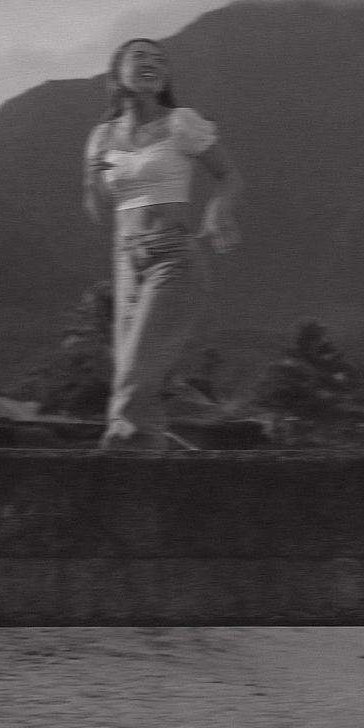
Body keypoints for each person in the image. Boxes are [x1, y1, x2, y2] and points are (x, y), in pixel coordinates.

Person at [83, 38, 242, 450]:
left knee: (132, 382)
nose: (152, 63)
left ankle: (109, 463)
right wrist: (91, 179)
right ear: (116, 73)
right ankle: (151, 487)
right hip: (125, 261)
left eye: (160, 60)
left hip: (172, 257)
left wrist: (218, 209)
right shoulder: (102, 137)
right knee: (138, 386)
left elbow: (229, 176)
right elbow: (100, 208)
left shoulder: (181, 124)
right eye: (140, 56)